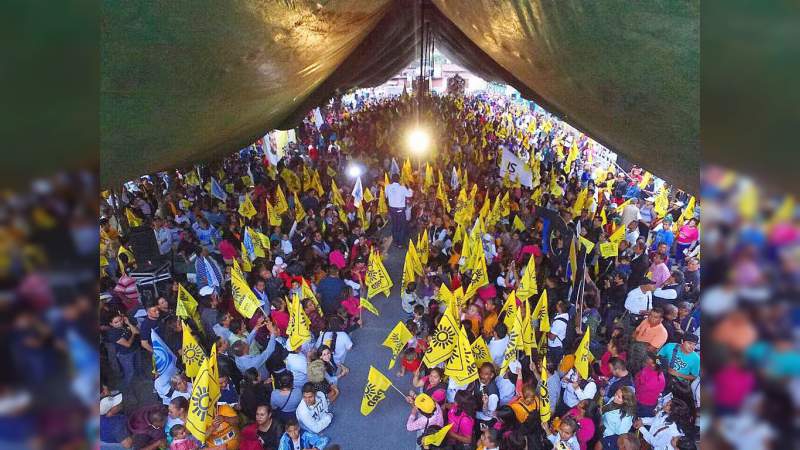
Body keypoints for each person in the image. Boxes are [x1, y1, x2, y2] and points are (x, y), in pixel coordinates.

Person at [634, 353, 667, 417]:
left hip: (644, 403)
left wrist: (638, 380)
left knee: (639, 417)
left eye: (653, 362)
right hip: (647, 402)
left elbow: (639, 387)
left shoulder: (656, 379)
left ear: (654, 365)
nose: (649, 362)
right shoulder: (651, 369)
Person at [385, 173, 413, 246]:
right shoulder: (402, 188)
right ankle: (400, 243)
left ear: (391, 179)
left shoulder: (387, 187)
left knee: (394, 225)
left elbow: (386, 196)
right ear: (399, 179)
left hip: (392, 209)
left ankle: (395, 241)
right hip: (400, 210)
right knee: (401, 226)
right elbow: (410, 194)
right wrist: (409, 187)